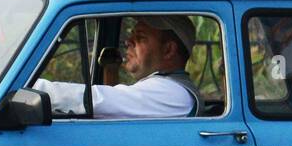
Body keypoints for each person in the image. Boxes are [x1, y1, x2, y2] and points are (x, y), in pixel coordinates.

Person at [32, 16, 203, 119]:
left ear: (168, 50)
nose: (128, 42)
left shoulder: (172, 92)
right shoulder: (168, 89)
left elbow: (98, 101)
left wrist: (30, 88)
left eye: (140, 38)